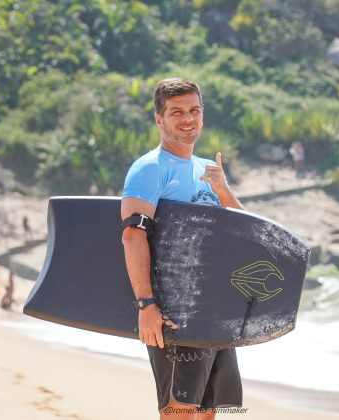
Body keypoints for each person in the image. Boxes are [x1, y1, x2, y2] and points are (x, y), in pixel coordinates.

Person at [121, 78, 244, 419]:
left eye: (194, 110)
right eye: (177, 112)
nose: (188, 119)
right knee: (179, 411)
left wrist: (223, 190)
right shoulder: (149, 169)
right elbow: (133, 236)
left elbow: (245, 231)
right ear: (159, 119)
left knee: (208, 411)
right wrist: (146, 304)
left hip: (214, 309)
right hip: (175, 311)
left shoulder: (206, 169)